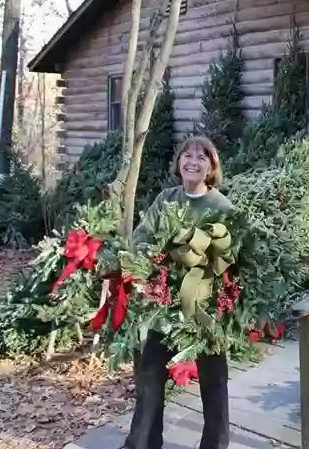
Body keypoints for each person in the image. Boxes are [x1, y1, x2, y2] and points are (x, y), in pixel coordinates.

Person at [124, 136, 234, 449]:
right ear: (178, 162)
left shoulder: (220, 206)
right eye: (187, 155)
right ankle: (143, 442)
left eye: (201, 157)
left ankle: (215, 444)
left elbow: (232, 255)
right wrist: (148, 265)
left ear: (211, 167)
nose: (192, 161)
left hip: (204, 307)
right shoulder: (166, 199)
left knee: (213, 379)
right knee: (149, 372)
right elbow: (141, 238)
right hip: (163, 303)